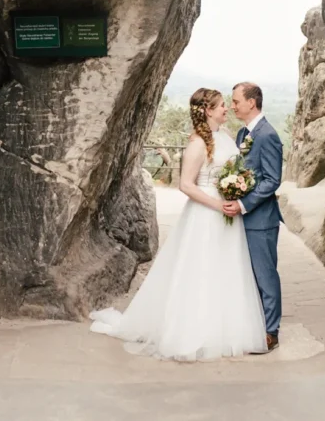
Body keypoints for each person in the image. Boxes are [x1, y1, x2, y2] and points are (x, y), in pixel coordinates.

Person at [89, 88, 267, 360]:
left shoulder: (226, 138)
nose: (226, 110)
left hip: (229, 212)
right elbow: (186, 184)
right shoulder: (198, 143)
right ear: (208, 111)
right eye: (221, 106)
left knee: (227, 269)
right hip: (206, 214)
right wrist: (218, 204)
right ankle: (193, 332)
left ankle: (225, 329)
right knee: (201, 270)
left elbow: (235, 170)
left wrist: (237, 191)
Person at [223, 82, 284, 351]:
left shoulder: (267, 134)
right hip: (241, 219)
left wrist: (244, 204)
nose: (233, 105)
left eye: (236, 101)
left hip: (261, 221)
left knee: (265, 275)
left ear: (252, 102)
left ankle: (271, 331)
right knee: (246, 275)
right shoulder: (242, 134)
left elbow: (272, 180)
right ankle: (253, 323)